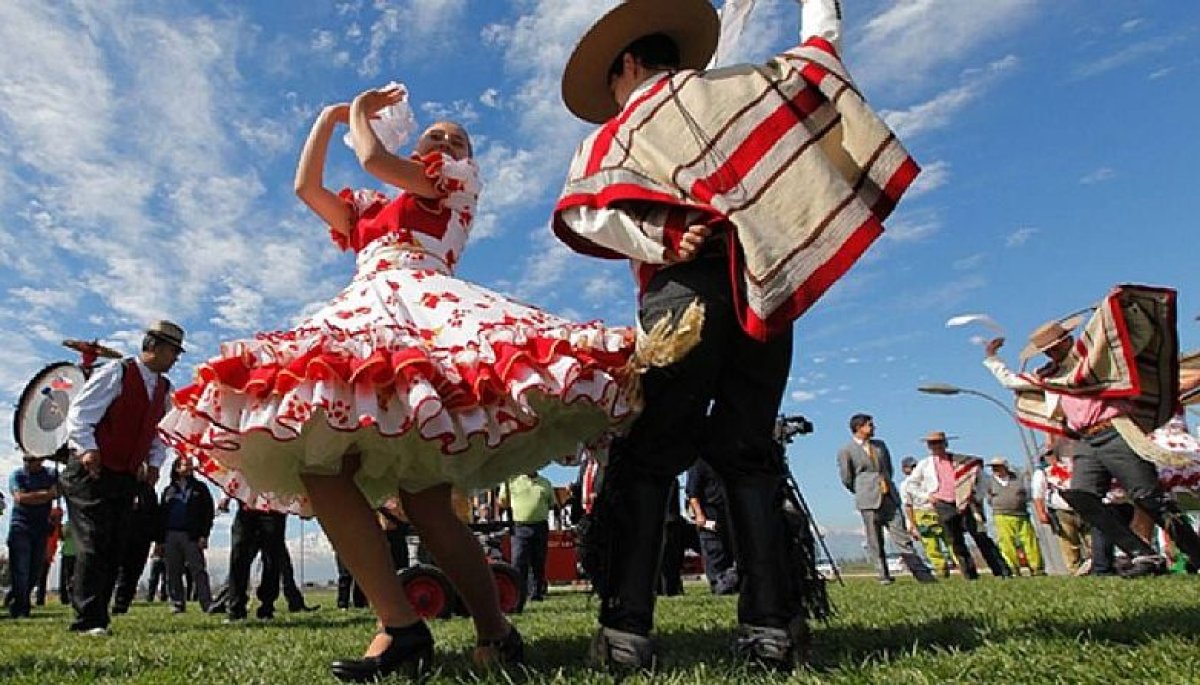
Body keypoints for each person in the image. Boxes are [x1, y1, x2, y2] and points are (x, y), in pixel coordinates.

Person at [159, 83, 634, 682]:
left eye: (454, 137)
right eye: (434, 133)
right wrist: (330, 118)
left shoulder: (453, 182)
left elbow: (375, 160)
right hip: (366, 310)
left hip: (427, 309)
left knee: (428, 504)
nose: (443, 140)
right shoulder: (371, 208)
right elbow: (306, 189)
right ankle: (402, 624)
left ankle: (493, 628)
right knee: (325, 466)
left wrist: (358, 109)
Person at [552, 0, 912, 669]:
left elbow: (586, 212)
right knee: (748, 449)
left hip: (682, 297)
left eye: (612, 84)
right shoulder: (742, 86)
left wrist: (661, 234)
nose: (614, 98)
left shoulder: (624, 130)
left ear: (628, 63)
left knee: (651, 449)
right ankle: (771, 628)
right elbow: (820, 51)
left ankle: (627, 632)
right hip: (762, 288)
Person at [982, 285, 1200, 577]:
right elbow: (1013, 381)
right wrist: (992, 359)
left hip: (1115, 430)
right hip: (1086, 440)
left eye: (1055, 347)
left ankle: (1195, 552)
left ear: (1068, 340)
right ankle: (1142, 553)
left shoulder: (1096, 359)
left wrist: (1117, 307)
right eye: (1047, 351)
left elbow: (1125, 339)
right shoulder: (1050, 377)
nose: (1052, 353)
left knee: (1149, 497)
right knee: (1080, 495)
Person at [64, 320, 182, 635]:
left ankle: (99, 614)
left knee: (116, 544)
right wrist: (88, 449)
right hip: (91, 470)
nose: (176, 358)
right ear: (153, 346)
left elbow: (160, 434)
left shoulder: (164, 390)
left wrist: (155, 463)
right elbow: (80, 414)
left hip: (125, 475)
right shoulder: (117, 372)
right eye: (172, 351)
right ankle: (87, 619)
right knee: (94, 540)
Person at [837, 415, 935, 584]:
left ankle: (922, 575)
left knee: (902, 537)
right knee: (875, 540)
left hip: (888, 495)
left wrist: (885, 484)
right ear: (859, 428)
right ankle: (883, 575)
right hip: (868, 499)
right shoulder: (846, 450)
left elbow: (888, 468)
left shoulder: (880, 445)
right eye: (869, 425)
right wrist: (862, 490)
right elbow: (847, 478)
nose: (873, 427)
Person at [904, 432, 1010, 579]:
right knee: (955, 540)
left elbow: (984, 480)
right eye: (932, 444)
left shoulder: (963, 462)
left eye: (939, 443)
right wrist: (928, 496)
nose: (936, 446)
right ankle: (970, 575)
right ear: (928, 447)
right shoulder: (925, 465)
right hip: (943, 504)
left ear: (945, 444)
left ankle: (1002, 571)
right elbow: (911, 484)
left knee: (980, 536)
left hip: (966, 503)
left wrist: (976, 496)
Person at [159, 456, 214, 613]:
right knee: (173, 571)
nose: (190, 467)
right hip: (171, 535)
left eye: (191, 465)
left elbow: (207, 513)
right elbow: (161, 515)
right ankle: (177, 603)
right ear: (177, 468)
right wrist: (160, 540)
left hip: (192, 536)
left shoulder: (200, 489)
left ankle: (207, 603)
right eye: (185, 464)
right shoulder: (168, 491)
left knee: (198, 570)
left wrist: (204, 535)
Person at [7, 454, 60, 618]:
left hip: (41, 529)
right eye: (25, 460)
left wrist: (40, 496)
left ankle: (19, 600)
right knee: (20, 568)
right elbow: (20, 498)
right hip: (20, 527)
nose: (28, 463)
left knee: (34, 570)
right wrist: (47, 495)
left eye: (32, 460)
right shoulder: (17, 475)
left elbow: (60, 491)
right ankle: (21, 607)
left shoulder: (51, 474)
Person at [221, 496, 289, 621]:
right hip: (247, 505)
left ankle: (267, 607)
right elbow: (236, 475)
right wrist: (225, 497)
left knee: (272, 559)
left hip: (274, 506)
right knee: (239, 555)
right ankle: (236, 608)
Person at [1030, 442, 1089, 574]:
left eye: (1053, 452)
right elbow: (1038, 494)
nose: (1052, 456)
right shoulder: (1042, 473)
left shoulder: (1070, 465)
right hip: (1061, 510)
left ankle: (1097, 565)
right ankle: (1075, 570)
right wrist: (1041, 513)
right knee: (1069, 543)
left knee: (1092, 539)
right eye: (1048, 454)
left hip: (1082, 506)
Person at [499, 472, 556, 607]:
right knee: (518, 561)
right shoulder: (511, 481)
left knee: (538, 561)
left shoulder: (545, 483)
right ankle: (518, 593)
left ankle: (536, 593)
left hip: (540, 526)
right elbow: (502, 502)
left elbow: (551, 503)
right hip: (519, 526)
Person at [685, 459, 737, 595]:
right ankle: (718, 585)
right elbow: (692, 493)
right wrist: (699, 516)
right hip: (709, 512)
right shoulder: (699, 463)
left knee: (730, 549)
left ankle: (730, 583)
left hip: (727, 511)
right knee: (714, 550)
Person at [112, 473, 161, 613]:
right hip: (120, 534)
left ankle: (122, 604)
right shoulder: (120, 486)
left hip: (141, 537)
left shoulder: (148, 491)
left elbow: (155, 515)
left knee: (133, 571)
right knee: (115, 570)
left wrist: (158, 539)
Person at [986, 458, 1043, 576]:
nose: (995, 469)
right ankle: (1013, 569)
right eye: (993, 467)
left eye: (998, 466)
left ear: (1005, 467)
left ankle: (1037, 568)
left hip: (1021, 514)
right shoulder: (989, 481)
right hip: (1001, 515)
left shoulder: (1018, 478)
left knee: (1030, 541)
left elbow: (1028, 493)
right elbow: (988, 498)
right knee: (1006, 543)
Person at [899, 456, 952, 578]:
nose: (913, 469)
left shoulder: (929, 480)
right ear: (904, 470)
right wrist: (912, 526)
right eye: (910, 467)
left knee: (951, 541)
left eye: (914, 466)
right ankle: (942, 572)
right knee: (931, 546)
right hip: (921, 514)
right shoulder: (905, 485)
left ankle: (963, 569)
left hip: (938, 511)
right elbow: (908, 505)